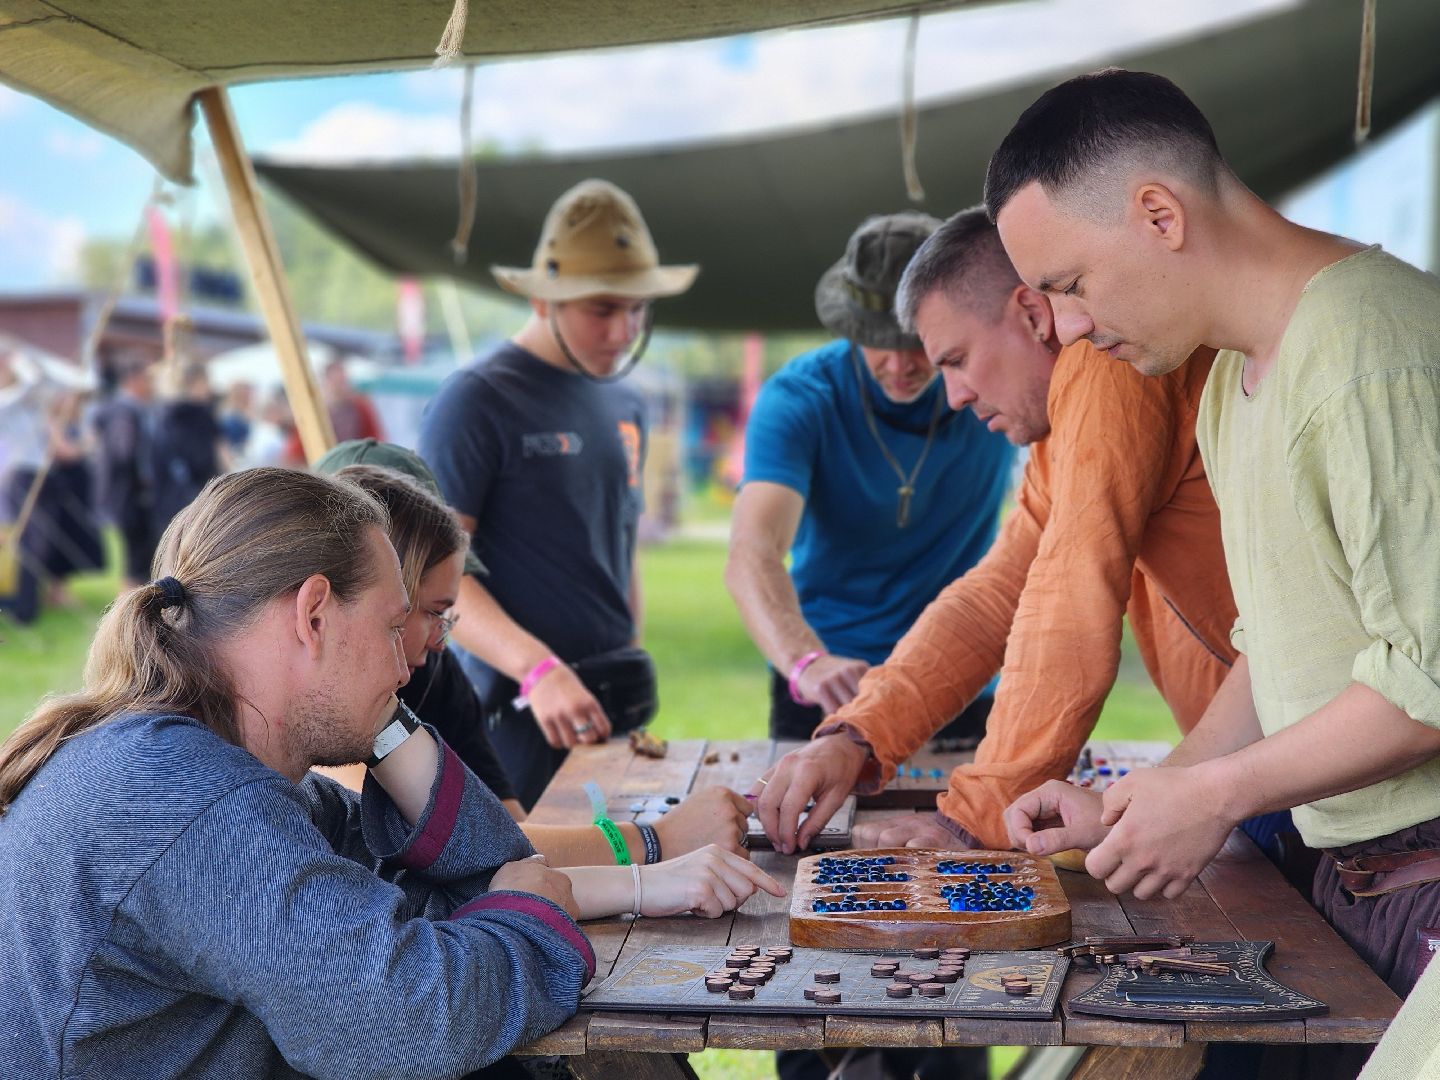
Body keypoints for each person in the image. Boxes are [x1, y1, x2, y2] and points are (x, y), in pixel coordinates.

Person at [987, 68, 1440, 998]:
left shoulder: (1374, 350)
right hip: (1360, 878)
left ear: (1160, 214)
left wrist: (1217, 794)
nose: (1066, 329)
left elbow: (1428, 680)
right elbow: (1277, 648)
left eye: (1069, 285)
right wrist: (1138, 804)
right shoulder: (1231, 381)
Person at [0, 467, 592, 1078]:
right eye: (393, 628)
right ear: (313, 615)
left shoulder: (219, 780)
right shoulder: (189, 802)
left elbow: (463, 887)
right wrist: (528, 917)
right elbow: (408, 1021)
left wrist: (391, 733)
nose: (403, 669)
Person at [752, 207, 1241, 866]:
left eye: (956, 361)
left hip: (1303, 771)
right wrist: (858, 735)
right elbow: (993, 599)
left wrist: (974, 819)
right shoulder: (1058, 428)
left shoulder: (1105, 365)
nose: (953, 396)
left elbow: (1069, 600)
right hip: (1248, 763)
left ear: (1033, 315)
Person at [314, 437, 761, 871]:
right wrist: (655, 841)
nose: (441, 641)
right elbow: (486, 849)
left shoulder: (436, 675)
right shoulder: (335, 707)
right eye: (432, 611)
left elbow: (505, 837)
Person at [418, 178, 697, 808]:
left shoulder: (626, 399)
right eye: (603, 309)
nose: (624, 330)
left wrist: (628, 656)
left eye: (638, 309)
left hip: (608, 700)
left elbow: (619, 541)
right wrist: (538, 669)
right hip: (515, 707)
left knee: (623, 856)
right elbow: (432, 573)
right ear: (543, 299)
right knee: (535, 862)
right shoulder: (476, 399)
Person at [726, 212, 1014, 747]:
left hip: (960, 676)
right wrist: (805, 660)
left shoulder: (996, 384)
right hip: (831, 678)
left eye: (914, 339)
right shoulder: (800, 396)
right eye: (875, 340)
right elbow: (752, 550)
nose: (899, 364)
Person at [90, 354, 157, 590]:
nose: (151, 384)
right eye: (147, 378)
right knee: (136, 562)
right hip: (130, 494)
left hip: (128, 493)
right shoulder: (124, 411)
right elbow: (125, 451)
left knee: (140, 558)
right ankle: (128, 607)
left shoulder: (126, 409)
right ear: (133, 379)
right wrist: (146, 476)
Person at [150, 361, 224, 537]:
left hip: (168, 502)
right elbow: (212, 458)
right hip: (200, 498)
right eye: (206, 382)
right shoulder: (200, 415)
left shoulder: (161, 415)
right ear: (196, 382)